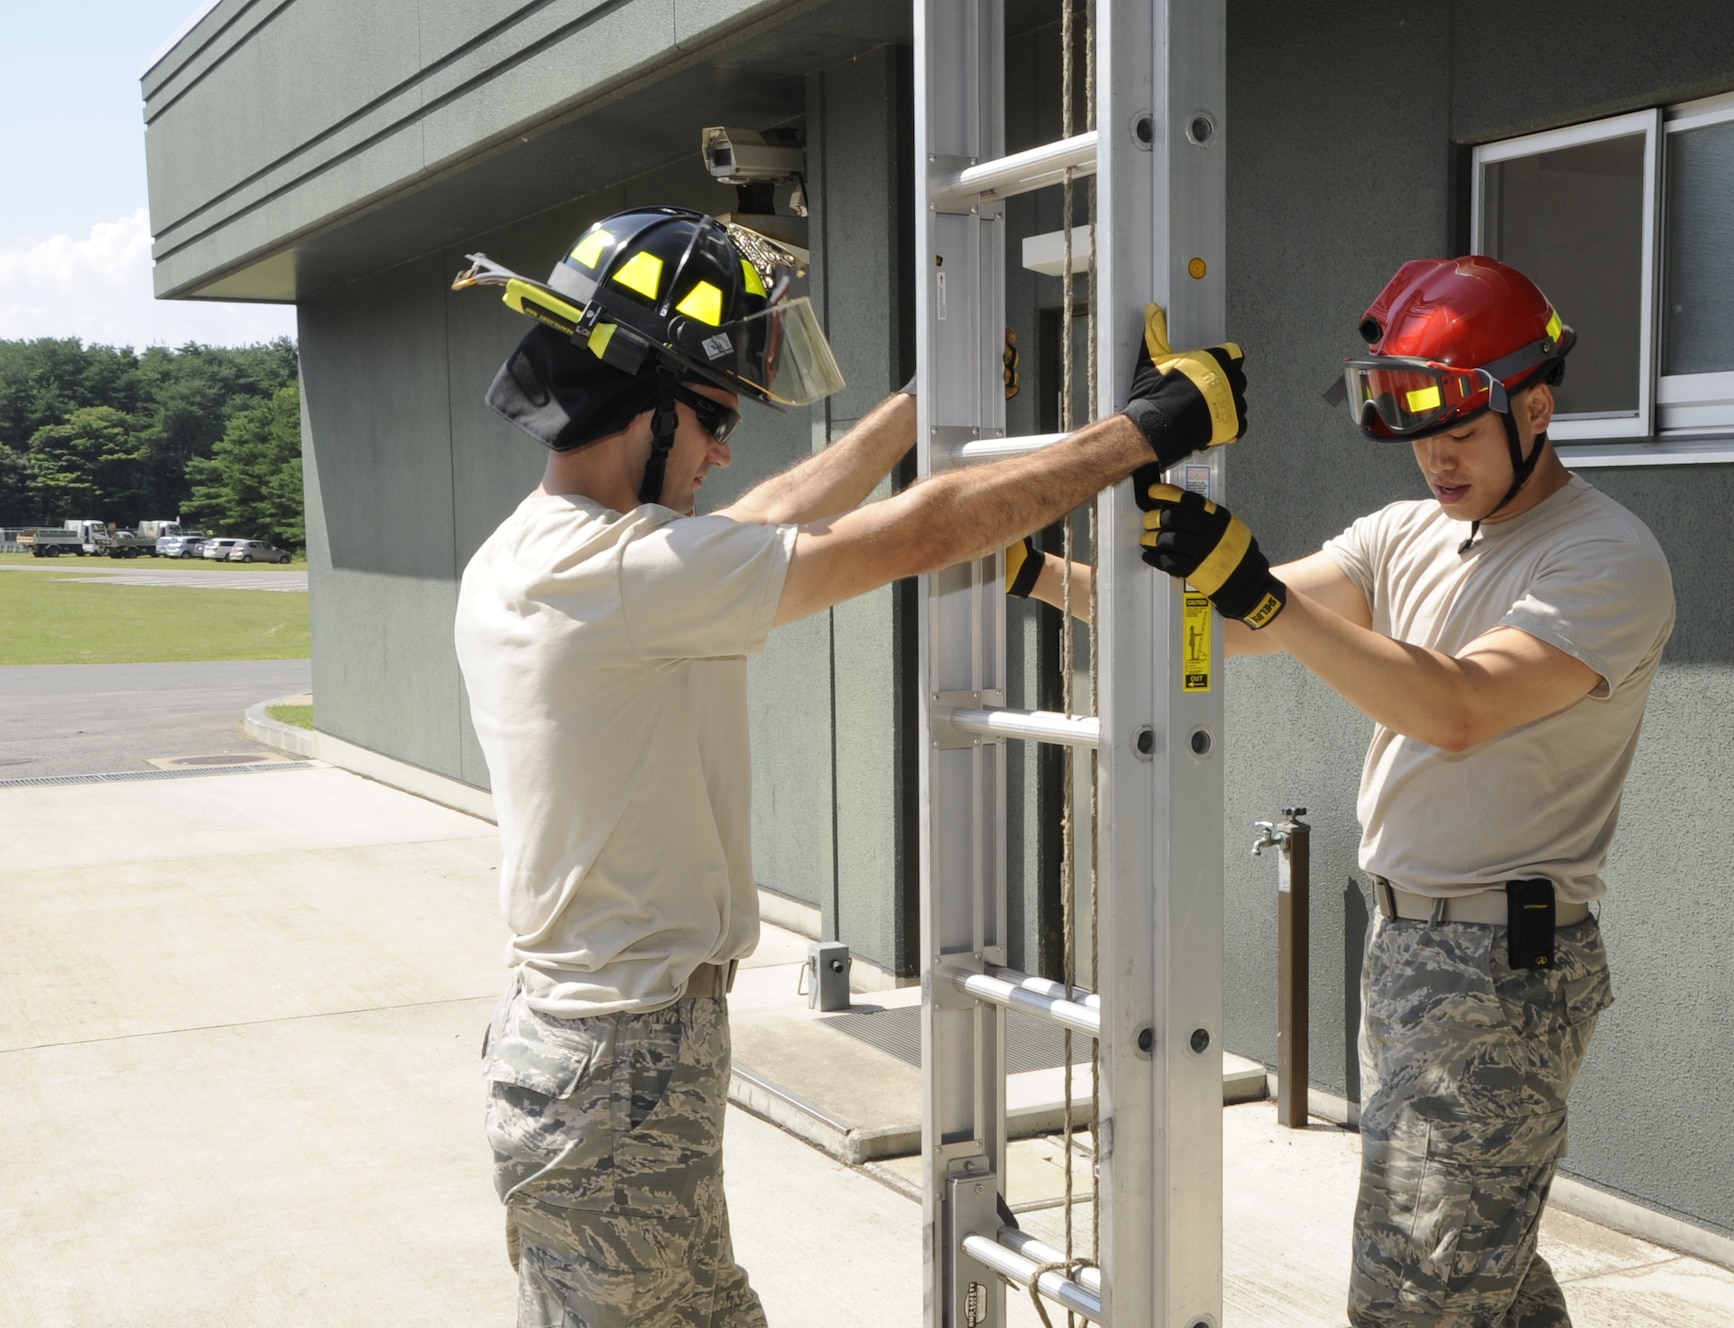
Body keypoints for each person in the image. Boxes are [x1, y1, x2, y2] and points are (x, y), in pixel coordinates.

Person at [450, 205, 1249, 1328]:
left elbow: (761, 515)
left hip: (608, 1058)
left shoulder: (547, 551)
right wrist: (1141, 431)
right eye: (716, 416)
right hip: (616, 1068)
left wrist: (915, 411)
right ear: (647, 405)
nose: (727, 449)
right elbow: (919, 535)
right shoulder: (624, 577)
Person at [1008, 256, 1674, 1327]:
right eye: (1417, 429)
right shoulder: (1404, 530)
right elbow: (1230, 622)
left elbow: (1455, 706)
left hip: (1499, 969)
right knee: (1481, 1273)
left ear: (1535, 407)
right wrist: (1037, 572)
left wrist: (1261, 592)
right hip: (1411, 950)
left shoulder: (1603, 558)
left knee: (1418, 1288)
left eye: (1459, 427)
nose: (1436, 456)